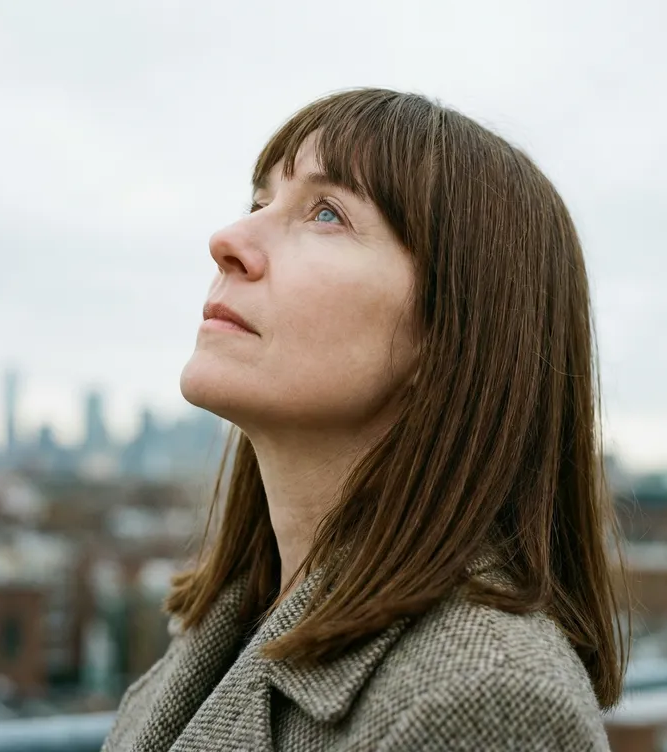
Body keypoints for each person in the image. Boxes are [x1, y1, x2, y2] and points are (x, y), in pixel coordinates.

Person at [102, 88, 627, 751]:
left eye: (326, 213)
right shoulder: (212, 641)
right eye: (259, 202)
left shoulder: (481, 699)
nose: (229, 240)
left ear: (450, 334)